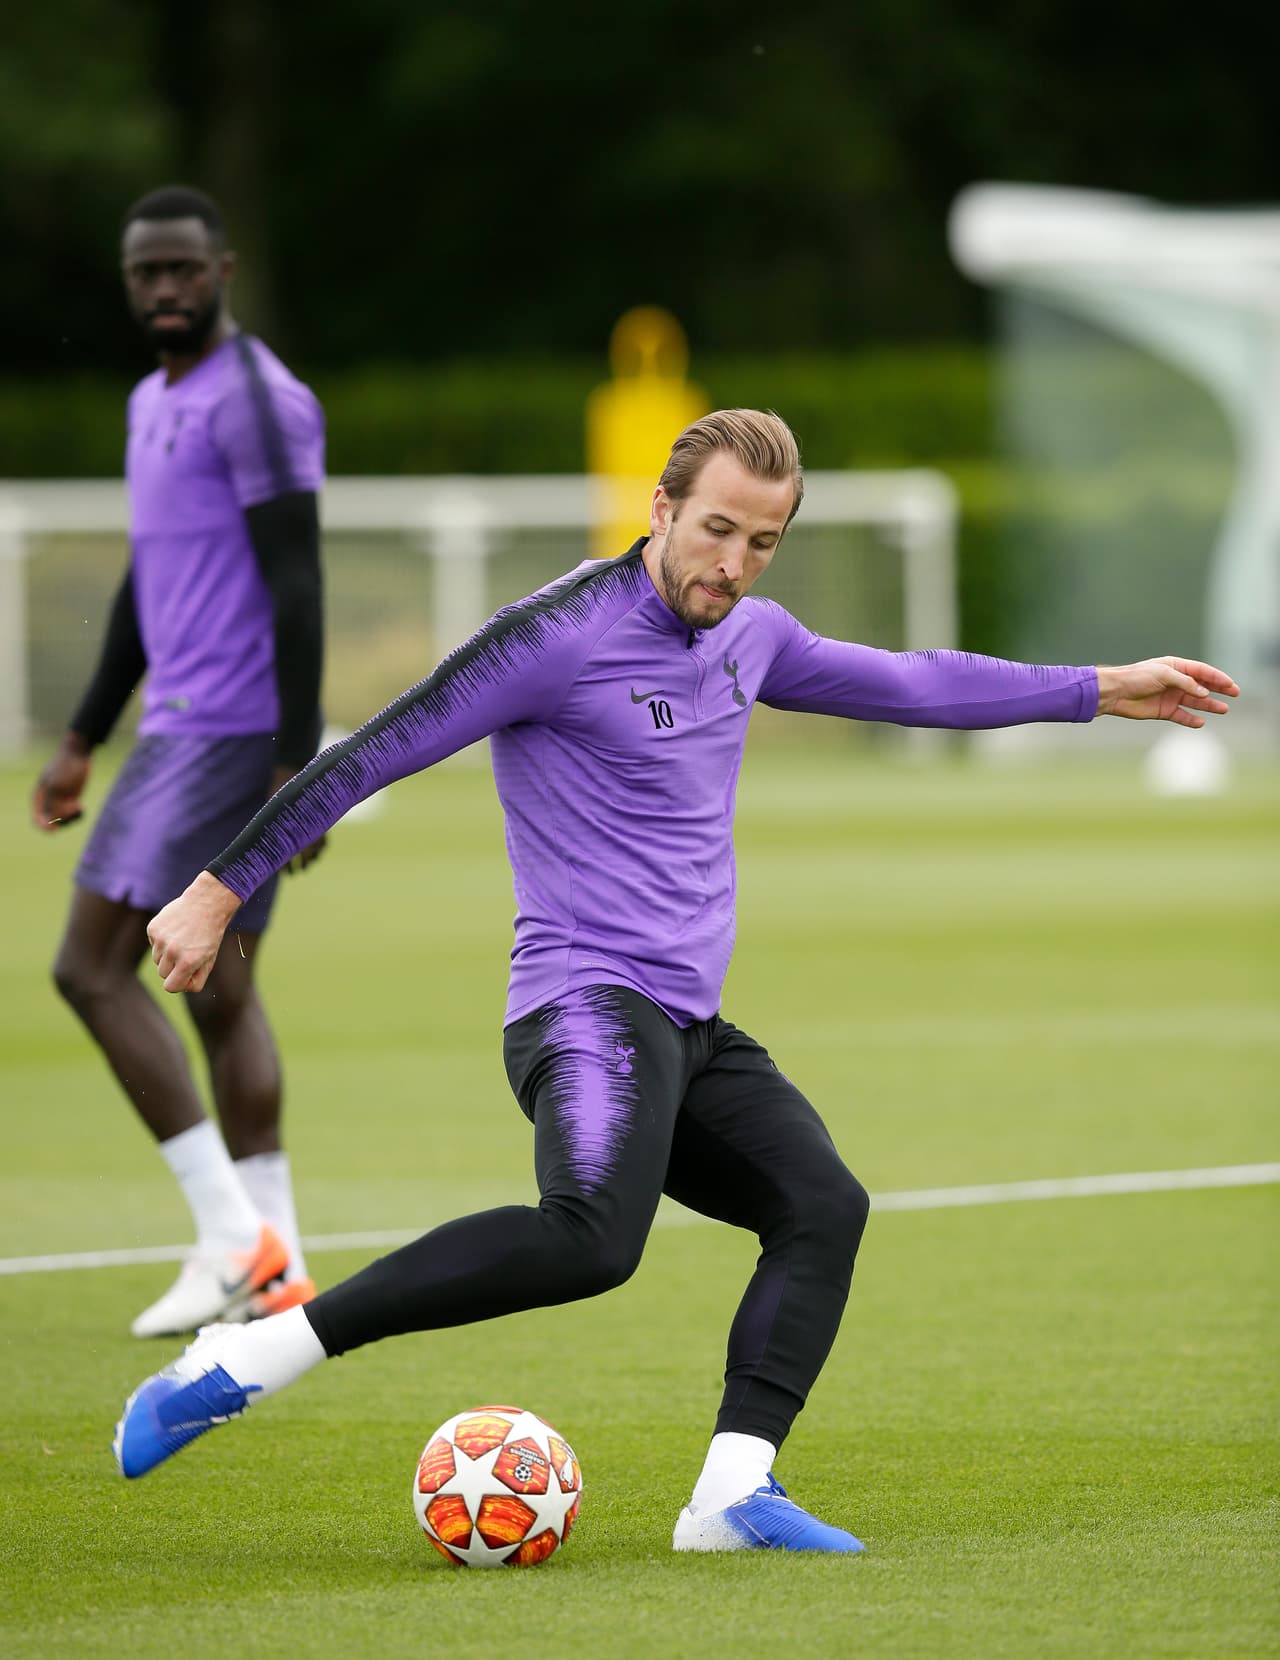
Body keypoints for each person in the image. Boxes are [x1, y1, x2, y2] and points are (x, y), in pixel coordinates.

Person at [112, 409, 1237, 1551]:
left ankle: (727, 1497)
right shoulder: (554, 636)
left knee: (820, 1205)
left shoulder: (751, 635)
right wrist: (217, 890)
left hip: (687, 1023)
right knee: (593, 1237)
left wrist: (1098, 688)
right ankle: (244, 1359)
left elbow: (913, 681)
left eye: (761, 543)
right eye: (713, 531)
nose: (733, 565)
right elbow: (371, 751)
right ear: (657, 509)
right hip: (584, 1005)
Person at [33, 186, 326, 1338]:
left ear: (223, 269)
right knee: (223, 983)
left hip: (228, 732)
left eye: (182, 272)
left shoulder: (254, 400)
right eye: (144, 274)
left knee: (90, 968)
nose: (163, 290)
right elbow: (146, 584)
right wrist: (81, 735)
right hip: (175, 729)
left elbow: (298, 583)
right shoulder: (153, 398)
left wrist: (298, 773)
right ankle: (278, 1258)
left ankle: (230, 1238)